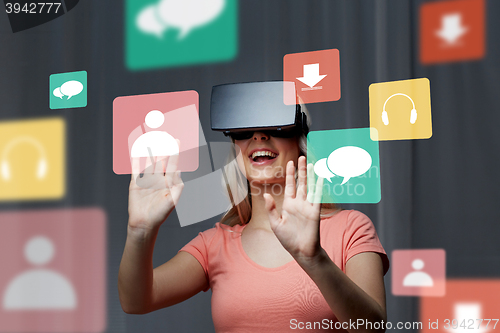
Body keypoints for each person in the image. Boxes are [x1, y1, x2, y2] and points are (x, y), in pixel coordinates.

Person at [118, 82, 389, 332]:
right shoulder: (215, 244)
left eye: (275, 126)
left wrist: (314, 259)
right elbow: (136, 301)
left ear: (300, 140)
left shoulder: (351, 228)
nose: (258, 136)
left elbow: (373, 327)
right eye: (243, 130)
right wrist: (139, 231)